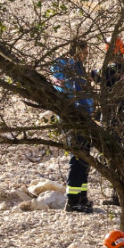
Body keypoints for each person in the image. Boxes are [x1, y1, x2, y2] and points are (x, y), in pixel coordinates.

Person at [52, 39, 95, 213]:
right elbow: (79, 93)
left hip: (69, 116)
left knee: (83, 157)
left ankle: (81, 196)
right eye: (85, 52)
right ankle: (73, 200)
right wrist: (89, 113)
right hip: (78, 118)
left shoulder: (61, 66)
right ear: (78, 51)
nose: (86, 56)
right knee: (79, 158)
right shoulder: (72, 67)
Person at [99, 37, 124, 206]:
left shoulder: (108, 69)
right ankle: (121, 192)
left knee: (114, 156)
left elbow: (98, 78)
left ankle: (119, 194)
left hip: (112, 116)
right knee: (121, 153)